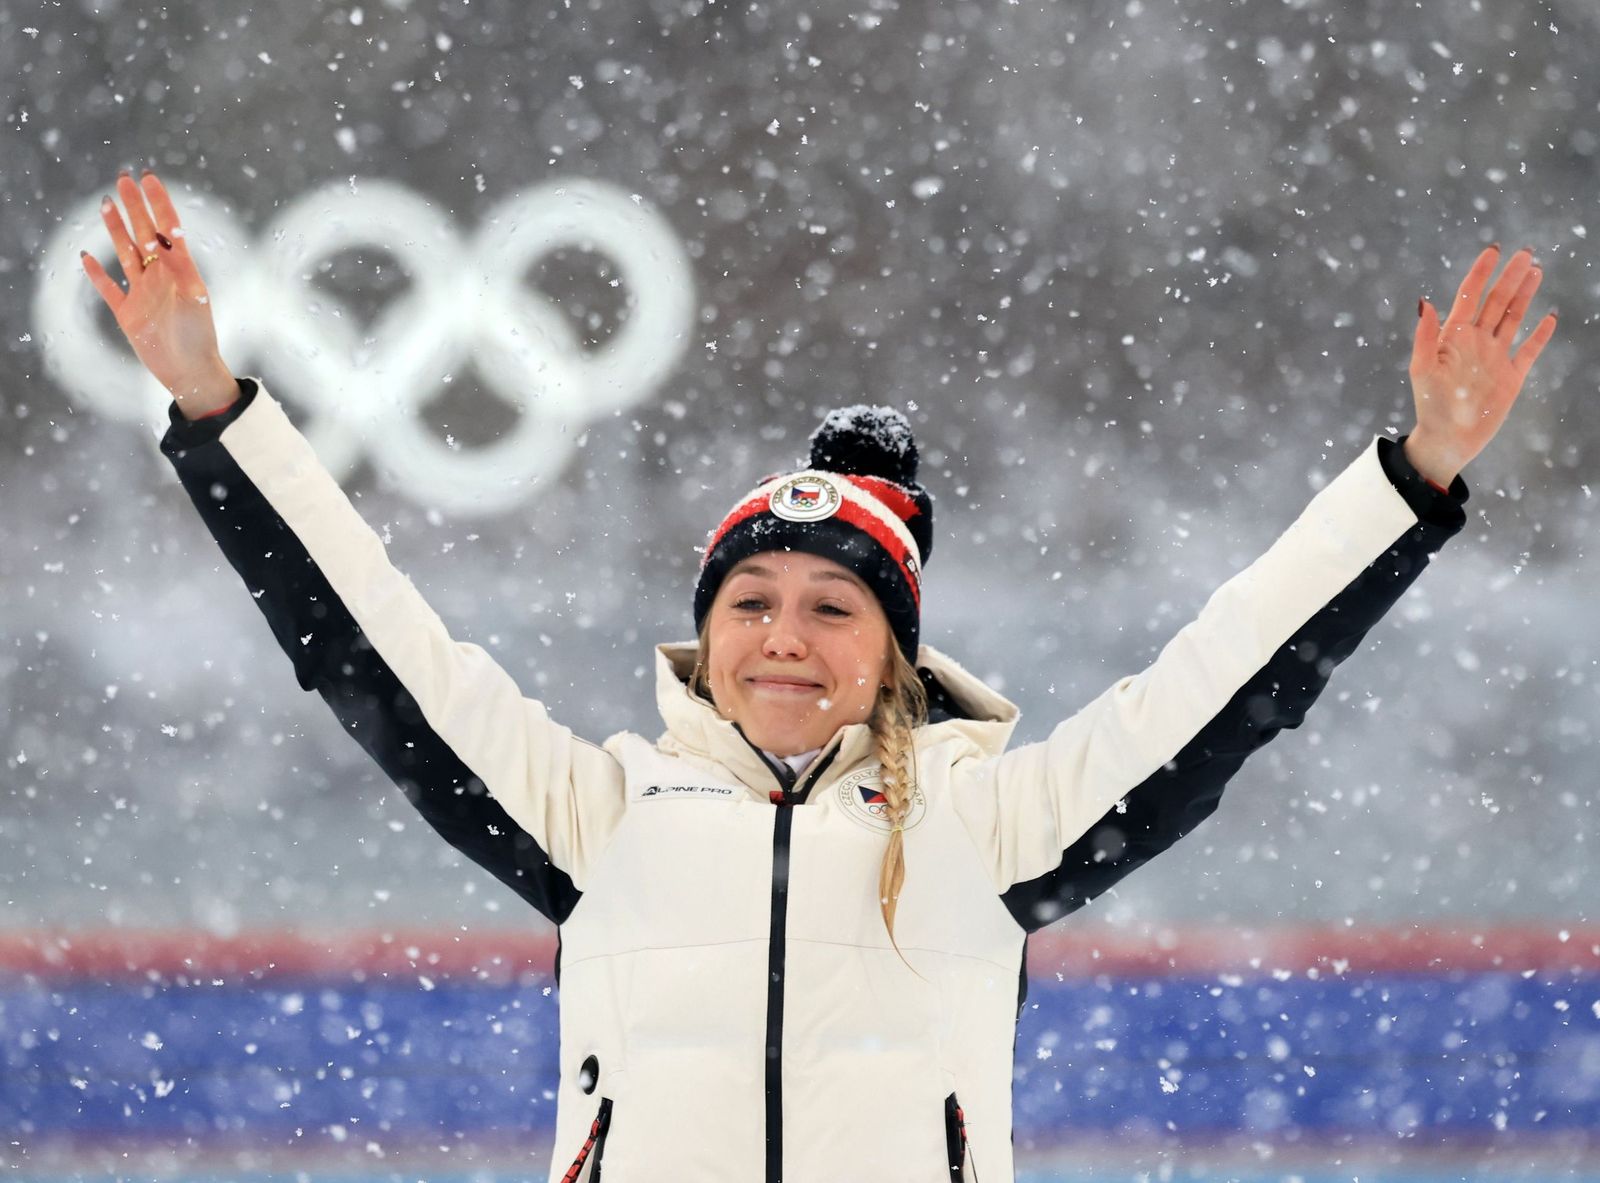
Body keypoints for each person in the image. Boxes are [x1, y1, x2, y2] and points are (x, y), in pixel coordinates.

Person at [84, 170, 1556, 1183]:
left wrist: (1415, 473)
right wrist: (214, 401)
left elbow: (1234, 676)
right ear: (707, 630)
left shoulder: (982, 827)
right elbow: (370, 641)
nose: (784, 634)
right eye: (754, 599)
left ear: (896, 651)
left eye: (834, 606)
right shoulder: (602, 814)